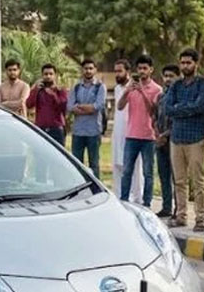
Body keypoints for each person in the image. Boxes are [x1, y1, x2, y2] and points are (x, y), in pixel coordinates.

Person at [165, 48, 204, 231]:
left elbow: (200, 106)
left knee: (198, 180)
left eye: (188, 63)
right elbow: (168, 109)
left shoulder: (203, 84)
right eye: (182, 63)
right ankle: (181, 216)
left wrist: (180, 108)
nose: (185, 66)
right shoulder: (175, 86)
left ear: (195, 64)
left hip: (196, 138)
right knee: (179, 180)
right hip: (177, 138)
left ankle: (200, 219)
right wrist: (186, 108)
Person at [118, 55, 163, 206]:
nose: (142, 71)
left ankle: (147, 203)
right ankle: (124, 200)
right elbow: (119, 106)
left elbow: (153, 112)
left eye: (145, 68)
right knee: (127, 171)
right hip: (131, 135)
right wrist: (127, 91)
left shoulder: (157, 89)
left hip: (148, 137)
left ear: (151, 70)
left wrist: (142, 92)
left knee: (148, 173)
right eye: (139, 68)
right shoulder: (131, 86)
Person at [68, 58, 107, 177]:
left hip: (93, 131)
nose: (88, 71)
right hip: (78, 131)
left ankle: (95, 190)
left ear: (95, 70)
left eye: (91, 68)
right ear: (82, 70)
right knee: (76, 163)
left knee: (94, 163)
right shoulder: (76, 87)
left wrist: (80, 107)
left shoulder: (100, 87)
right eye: (86, 68)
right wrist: (89, 109)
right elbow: (70, 107)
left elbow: (98, 105)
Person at [112, 59, 143, 204]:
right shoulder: (118, 88)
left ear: (128, 72)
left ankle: (138, 199)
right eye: (116, 71)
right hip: (117, 131)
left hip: (132, 132)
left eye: (120, 71)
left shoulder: (136, 87)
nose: (117, 74)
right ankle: (119, 198)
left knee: (135, 168)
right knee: (117, 164)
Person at [155, 64, 180, 218]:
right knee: (163, 175)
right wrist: (158, 134)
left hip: (174, 140)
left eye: (171, 76)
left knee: (176, 177)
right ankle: (166, 207)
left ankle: (179, 209)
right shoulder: (161, 96)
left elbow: (177, 120)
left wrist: (165, 135)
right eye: (166, 76)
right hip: (160, 141)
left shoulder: (179, 96)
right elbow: (155, 117)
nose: (168, 79)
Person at [26, 63, 68, 146]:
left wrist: (52, 94)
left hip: (56, 129)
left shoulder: (60, 90)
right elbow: (29, 104)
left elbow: (63, 107)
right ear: (42, 75)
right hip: (41, 128)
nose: (48, 76)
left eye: (51, 74)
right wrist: (35, 90)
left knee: (58, 155)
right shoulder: (38, 90)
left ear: (55, 75)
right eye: (46, 74)